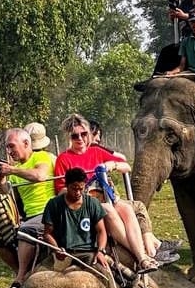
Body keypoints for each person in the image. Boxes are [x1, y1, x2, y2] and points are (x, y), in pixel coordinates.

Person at [54, 114, 158, 271]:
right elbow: (60, 190)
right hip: (82, 205)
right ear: (69, 137)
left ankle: (143, 257)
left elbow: (126, 166)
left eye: (83, 134)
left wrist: (112, 165)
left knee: (127, 208)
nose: (80, 139)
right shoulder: (63, 159)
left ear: (89, 134)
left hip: (106, 197)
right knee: (108, 209)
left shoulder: (96, 151)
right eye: (75, 136)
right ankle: (140, 255)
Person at [0, 123, 55, 277]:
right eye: (7, 147)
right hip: (28, 216)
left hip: (48, 212)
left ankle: (20, 277)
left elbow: (40, 176)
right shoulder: (16, 170)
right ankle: (18, 271)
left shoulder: (41, 156)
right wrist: (1, 179)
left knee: (26, 230)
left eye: (12, 146)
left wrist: (12, 169)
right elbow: (8, 197)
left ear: (26, 143)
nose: (9, 151)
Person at [42, 167, 109, 268]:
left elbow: (101, 231)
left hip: (88, 253)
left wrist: (100, 251)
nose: (77, 193)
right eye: (74, 189)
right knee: (40, 275)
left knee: (104, 274)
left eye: (81, 189)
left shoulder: (93, 203)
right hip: (65, 253)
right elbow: (47, 233)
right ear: (66, 185)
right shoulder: (54, 204)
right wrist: (56, 249)